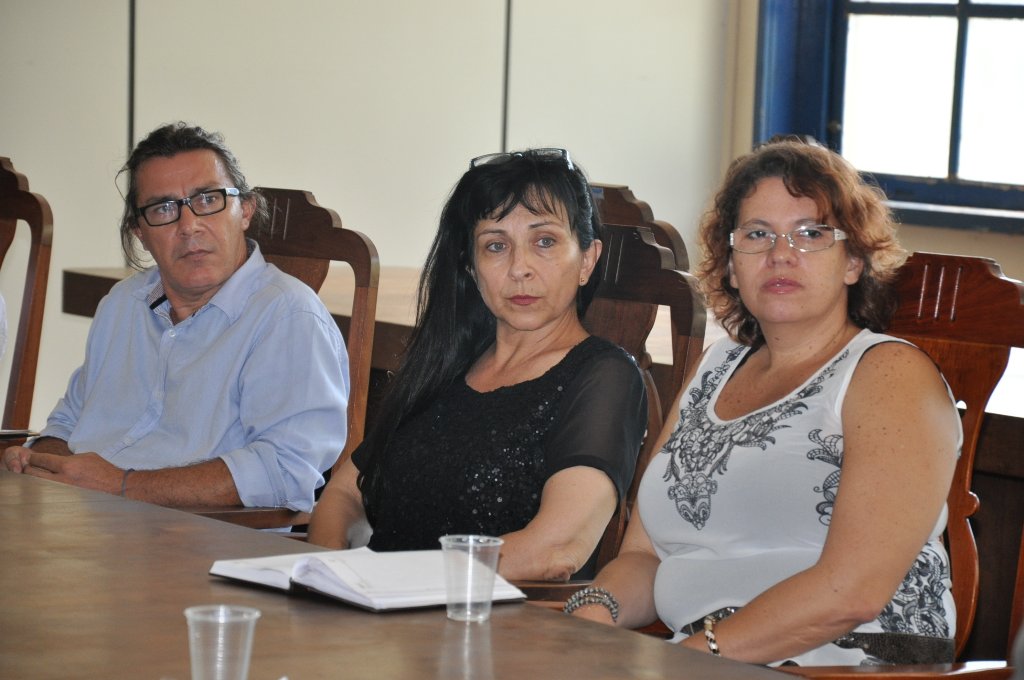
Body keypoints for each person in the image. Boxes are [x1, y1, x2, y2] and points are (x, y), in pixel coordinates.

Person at [566, 137, 962, 666]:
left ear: (853, 261)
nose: (781, 254)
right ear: (732, 266)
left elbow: (853, 591)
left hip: (850, 664)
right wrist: (590, 617)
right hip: (712, 660)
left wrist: (687, 661)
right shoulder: (716, 366)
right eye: (757, 234)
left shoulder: (888, 373)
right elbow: (646, 556)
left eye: (811, 234)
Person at [306, 148, 647, 581]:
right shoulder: (448, 362)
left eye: (544, 242)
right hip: (372, 606)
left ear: (587, 260)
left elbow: (556, 549)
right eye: (496, 246)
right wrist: (326, 576)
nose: (520, 268)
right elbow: (344, 494)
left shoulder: (605, 377)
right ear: (471, 266)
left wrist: (395, 583)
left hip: (483, 616)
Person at [1, 122, 348, 511]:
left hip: (192, 535)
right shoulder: (123, 303)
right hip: (85, 517)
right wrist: (39, 460)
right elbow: (68, 423)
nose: (189, 226)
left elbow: (285, 470)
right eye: (163, 208)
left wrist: (122, 486)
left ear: (245, 211)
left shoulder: (288, 317)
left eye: (208, 199)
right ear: (139, 232)